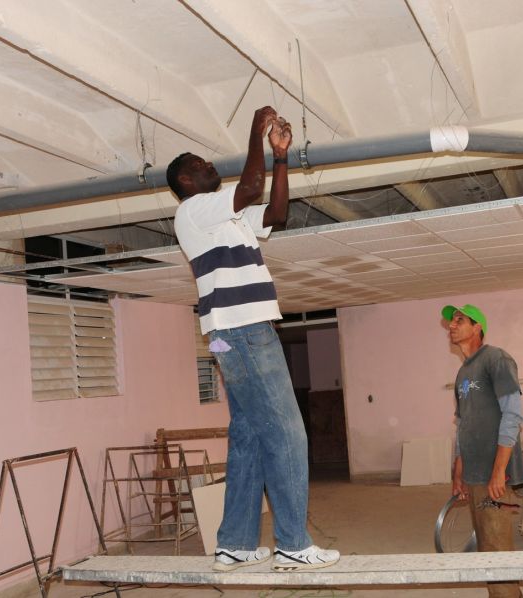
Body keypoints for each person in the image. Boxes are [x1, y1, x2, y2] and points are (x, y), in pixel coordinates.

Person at [166, 106, 340, 573]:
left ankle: (235, 543)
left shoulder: (233, 219)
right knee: (288, 433)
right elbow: (249, 186)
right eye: (200, 165)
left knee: (247, 436)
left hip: (228, 338)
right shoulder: (194, 209)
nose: (209, 166)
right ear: (185, 180)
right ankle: (293, 543)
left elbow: (276, 212)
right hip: (243, 332)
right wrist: (255, 134)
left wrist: (280, 158)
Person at [442, 303, 523, 598]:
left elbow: (512, 415)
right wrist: (459, 471)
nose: (452, 325)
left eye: (460, 320)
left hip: (494, 475)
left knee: (498, 552)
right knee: (488, 549)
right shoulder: (462, 373)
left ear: (477, 326)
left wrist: (499, 472)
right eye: (451, 321)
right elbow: (463, 425)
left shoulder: (496, 359)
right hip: (475, 476)